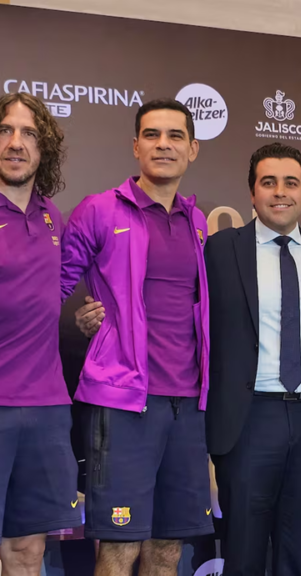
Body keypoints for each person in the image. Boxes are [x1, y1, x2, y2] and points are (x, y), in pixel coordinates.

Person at [61, 98, 213, 576]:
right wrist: (86, 321)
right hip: (124, 402)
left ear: (192, 149)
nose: (163, 145)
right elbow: (50, 288)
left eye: (174, 136)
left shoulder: (197, 221)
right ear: (135, 146)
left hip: (188, 406)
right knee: (118, 550)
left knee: (167, 551)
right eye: (152, 135)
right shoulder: (99, 210)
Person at [204, 142, 301, 576]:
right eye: (269, 182)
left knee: (300, 557)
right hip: (248, 419)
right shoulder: (219, 250)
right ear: (252, 192)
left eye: (291, 183)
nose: (280, 192)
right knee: (243, 555)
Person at [0, 92, 80, 576]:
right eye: (5, 130)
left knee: (28, 552)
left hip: (47, 408)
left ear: (43, 147)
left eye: (29, 133)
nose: (16, 142)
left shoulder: (53, 216)